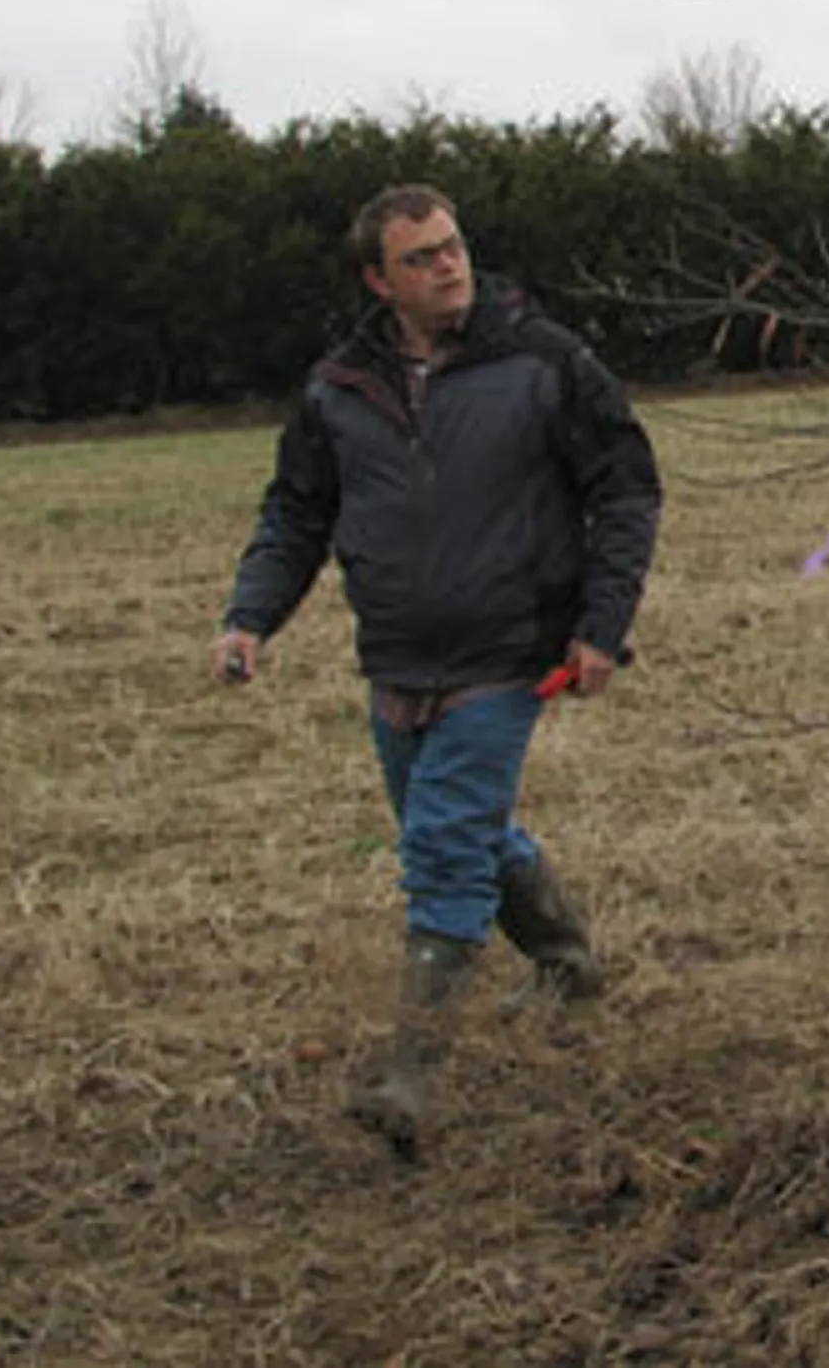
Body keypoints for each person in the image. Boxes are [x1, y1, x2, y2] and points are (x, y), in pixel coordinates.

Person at [214, 183, 661, 1158]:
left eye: (454, 247)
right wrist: (250, 619)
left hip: (511, 654)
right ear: (380, 280)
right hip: (398, 660)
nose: (449, 265)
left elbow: (625, 488)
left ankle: (409, 1073)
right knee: (463, 829)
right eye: (422, 257)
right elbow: (296, 514)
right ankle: (569, 962)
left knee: (444, 849)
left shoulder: (545, 362)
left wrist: (602, 625)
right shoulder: (338, 389)